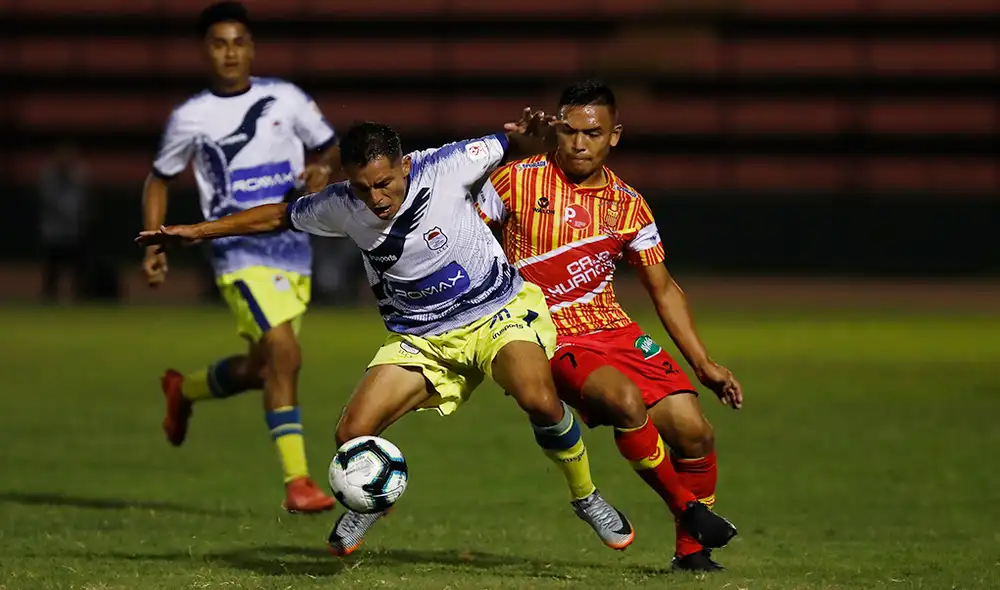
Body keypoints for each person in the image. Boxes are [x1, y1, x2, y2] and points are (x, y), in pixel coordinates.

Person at [137, 118, 635, 558]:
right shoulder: (340, 206)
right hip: (422, 340)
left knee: (537, 397)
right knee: (350, 436)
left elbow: (514, 143)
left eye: (384, 183)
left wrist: (531, 138)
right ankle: (368, 500)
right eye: (362, 187)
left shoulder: (450, 164)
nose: (376, 197)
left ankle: (587, 497)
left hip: (496, 314)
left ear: (405, 165)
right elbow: (276, 215)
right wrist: (198, 232)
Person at [476, 81, 743, 571]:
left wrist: (703, 363)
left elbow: (662, 288)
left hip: (613, 328)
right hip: (546, 332)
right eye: (570, 131)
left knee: (694, 431)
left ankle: (692, 555)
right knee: (624, 400)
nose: (579, 143)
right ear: (557, 130)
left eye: (593, 133)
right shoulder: (515, 181)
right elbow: (467, 242)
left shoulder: (630, 204)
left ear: (614, 136)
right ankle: (688, 511)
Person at [141, 1, 341, 513]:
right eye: (218, 43)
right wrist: (155, 239)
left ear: (251, 48)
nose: (229, 52)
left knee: (262, 369)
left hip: (293, 249)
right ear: (205, 51)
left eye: (238, 42)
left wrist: (323, 169)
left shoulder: (286, 98)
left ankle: (183, 390)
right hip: (236, 253)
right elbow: (159, 177)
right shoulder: (191, 117)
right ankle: (298, 482)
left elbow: (329, 147)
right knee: (286, 354)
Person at [38, 140, 89, 303]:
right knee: (52, 272)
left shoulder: (79, 176)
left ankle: (78, 299)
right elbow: (50, 201)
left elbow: (82, 202)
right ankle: (49, 300)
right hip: (54, 233)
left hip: (74, 232)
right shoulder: (49, 177)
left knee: (78, 271)